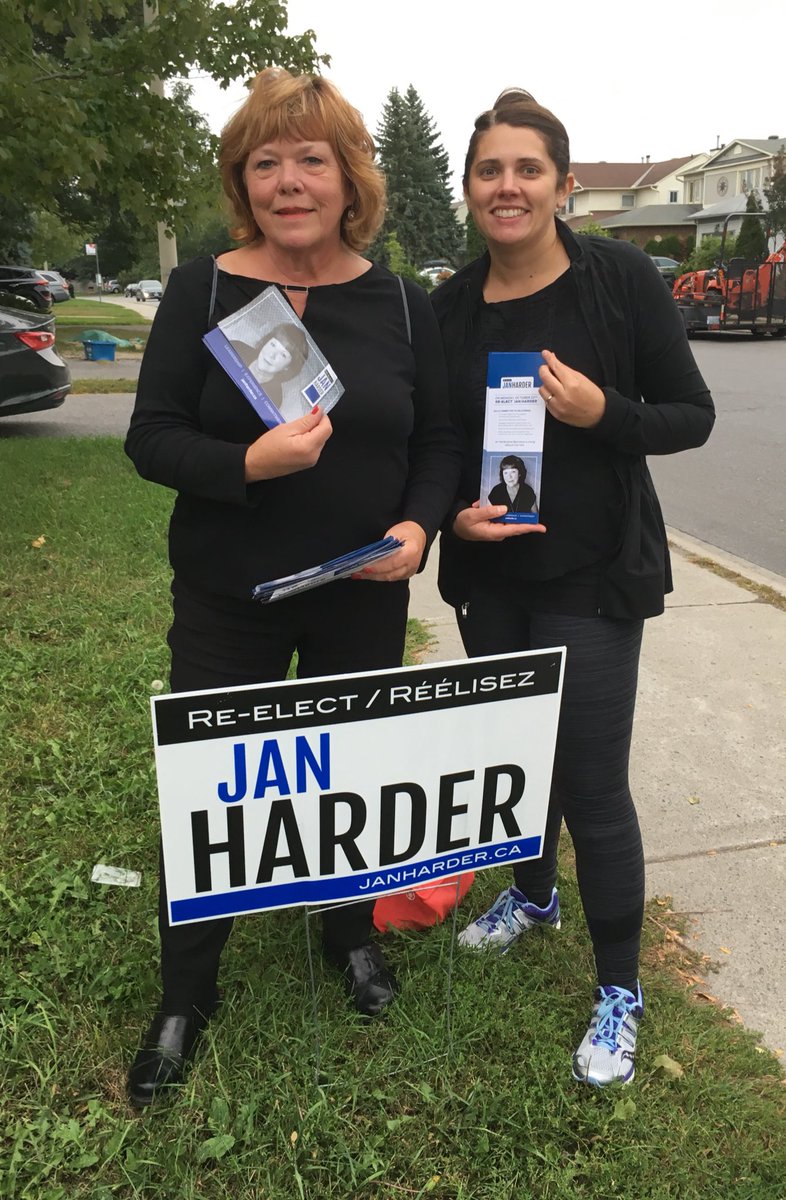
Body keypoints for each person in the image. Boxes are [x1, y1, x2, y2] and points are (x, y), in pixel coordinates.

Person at [124, 66, 459, 1107]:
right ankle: (188, 992)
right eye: (264, 161)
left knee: (346, 776)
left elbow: (440, 439)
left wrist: (417, 524)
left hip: (361, 589)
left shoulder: (403, 305)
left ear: (349, 175)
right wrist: (245, 468)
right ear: (243, 180)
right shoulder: (205, 290)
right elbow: (150, 438)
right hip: (231, 595)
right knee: (215, 785)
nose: (288, 179)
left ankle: (347, 935)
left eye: (310, 158)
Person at [431, 90, 715, 1086]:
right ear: (469, 189)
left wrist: (603, 412)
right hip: (491, 574)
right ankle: (533, 895)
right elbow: (438, 441)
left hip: (593, 575)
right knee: (521, 763)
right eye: (488, 171)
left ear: (560, 183)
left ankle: (619, 991)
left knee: (592, 787)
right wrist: (447, 515)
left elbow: (690, 415)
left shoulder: (620, 281)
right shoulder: (450, 306)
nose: (506, 187)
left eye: (527, 169)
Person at [245, 323, 308, 420]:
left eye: (283, 355)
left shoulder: (273, 399)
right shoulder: (236, 346)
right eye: (273, 344)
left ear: (287, 367)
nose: (271, 355)